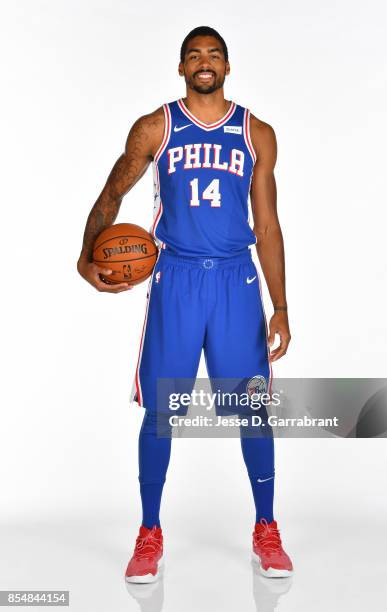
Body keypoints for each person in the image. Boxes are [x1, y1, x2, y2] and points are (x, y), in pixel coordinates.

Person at [77, 25, 293, 583]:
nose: (204, 62)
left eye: (214, 55)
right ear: (181, 68)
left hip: (235, 283)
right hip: (174, 278)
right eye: (194, 55)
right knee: (162, 412)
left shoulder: (256, 133)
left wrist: (282, 306)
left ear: (227, 66)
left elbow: (266, 225)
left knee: (251, 410)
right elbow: (112, 193)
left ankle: (266, 528)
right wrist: (86, 255)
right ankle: (150, 532)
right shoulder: (156, 127)